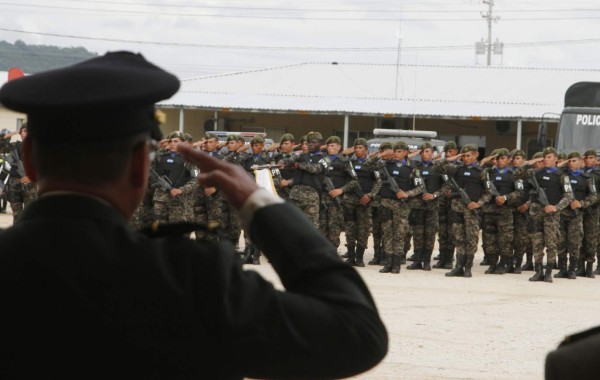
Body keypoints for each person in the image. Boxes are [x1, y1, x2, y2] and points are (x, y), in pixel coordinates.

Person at [0, 51, 387, 379]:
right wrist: (261, 205)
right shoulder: (190, 278)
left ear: (29, 159)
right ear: (140, 166)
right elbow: (355, 334)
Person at [516, 147, 573, 283]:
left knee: (551, 243)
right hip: (536, 212)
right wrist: (531, 162)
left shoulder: (561, 176)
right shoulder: (535, 173)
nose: (546, 160)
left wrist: (556, 207)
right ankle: (538, 271)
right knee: (537, 243)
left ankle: (548, 272)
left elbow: (569, 195)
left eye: (549, 157)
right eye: (544, 157)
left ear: (556, 159)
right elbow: (517, 173)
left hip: (551, 215)